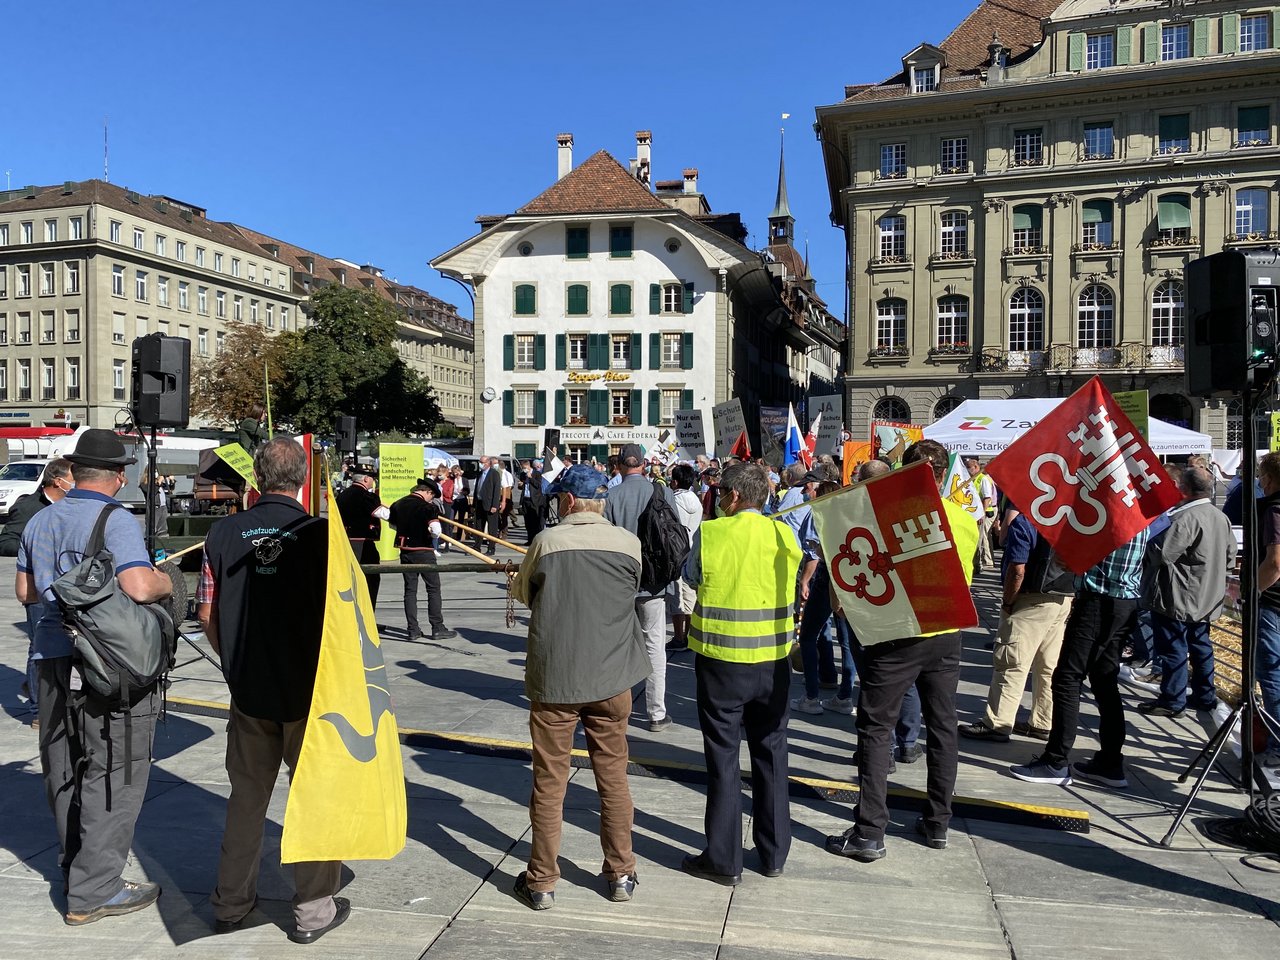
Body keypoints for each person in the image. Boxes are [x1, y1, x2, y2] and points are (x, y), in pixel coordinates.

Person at [15, 430, 172, 925]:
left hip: (50, 660)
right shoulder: (115, 519)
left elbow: (26, 591)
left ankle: (75, 868)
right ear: (119, 476)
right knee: (116, 772)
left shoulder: (40, 519)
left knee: (64, 768)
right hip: (107, 666)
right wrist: (168, 578)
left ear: (76, 472)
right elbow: (140, 586)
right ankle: (95, 889)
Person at [197, 438, 349, 944]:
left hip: (250, 690)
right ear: (303, 478)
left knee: (246, 801)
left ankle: (231, 903)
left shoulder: (222, 532)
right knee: (314, 799)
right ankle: (312, 911)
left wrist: (234, 665)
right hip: (310, 691)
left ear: (256, 479)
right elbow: (345, 618)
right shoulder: (322, 534)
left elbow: (205, 614)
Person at [825, 440, 978, 862]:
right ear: (943, 474)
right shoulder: (965, 519)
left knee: (875, 729)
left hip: (899, 634)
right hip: (946, 631)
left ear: (903, 475)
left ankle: (870, 831)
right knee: (944, 726)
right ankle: (937, 823)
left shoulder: (884, 516)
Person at [509, 464, 650, 909]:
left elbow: (525, 594)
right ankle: (621, 873)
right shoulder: (629, 543)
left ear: (568, 502)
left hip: (557, 679)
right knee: (613, 779)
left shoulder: (546, 542)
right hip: (612, 677)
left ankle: (542, 881)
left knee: (549, 782)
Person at [682, 463, 801, 884]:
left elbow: (690, 576)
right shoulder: (785, 533)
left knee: (724, 758)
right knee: (772, 753)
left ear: (733, 497)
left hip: (722, 661)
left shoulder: (713, 533)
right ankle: (773, 853)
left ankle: (724, 859)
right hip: (774, 661)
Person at [1011, 525, 1150, 790]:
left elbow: (1067, 559)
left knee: (1066, 678)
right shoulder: (1136, 511)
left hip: (1098, 601)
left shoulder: (1110, 514)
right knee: (1104, 681)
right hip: (1125, 601)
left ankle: (1055, 761)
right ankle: (1109, 763)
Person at [961, 506, 1073, 742]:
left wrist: (1008, 602)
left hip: (1031, 597)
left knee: (1011, 661)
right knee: (1048, 664)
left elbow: (1017, 568)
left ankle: (998, 723)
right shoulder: (1069, 517)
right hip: (1063, 596)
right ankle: (1043, 721)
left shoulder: (1026, 521)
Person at [1136, 466, 1235, 718]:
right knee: (1201, 647)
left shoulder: (1186, 517)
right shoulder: (1218, 516)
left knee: (1173, 648)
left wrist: (1148, 542)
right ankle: (1204, 696)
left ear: (1185, 488)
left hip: (1178, 595)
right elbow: (1230, 555)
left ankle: (1172, 700)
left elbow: (1162, 553)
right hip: (1207, 595)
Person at [605, 443, 676, 732]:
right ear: (644, 465)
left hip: (620, 582)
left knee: (617, 647)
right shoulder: (662, 493)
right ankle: (656, 713)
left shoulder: (610, 496)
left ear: (620, 466)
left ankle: (614, 709)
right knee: (654, 647)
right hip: (654, 583)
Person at [1, 457, 72, 722]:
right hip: (37, 589)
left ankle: (51, 695)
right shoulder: (30, 507)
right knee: (39, 647)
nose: (74, 485)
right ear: (58, 481)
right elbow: (7, 540)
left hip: (65, 587)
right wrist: (31, 552)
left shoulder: (69, 506)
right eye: (72, 480)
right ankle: (38, 710)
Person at [791, 480, 856, 716]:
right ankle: (845, 695)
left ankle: (811, 696)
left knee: (808, 636)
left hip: (827, 577)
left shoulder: (819, 515)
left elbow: (813, 552)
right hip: (848, 577)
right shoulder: (851, 514)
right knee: (847, 641)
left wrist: (805, 581)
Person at [389, 478, 457, 641]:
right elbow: (436, 531)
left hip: (405, 551)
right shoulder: (428, 507)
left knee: (410, 590)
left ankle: (413, 630)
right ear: (428, 492)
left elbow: (393, 526)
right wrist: (427, 531)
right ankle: (437, 626)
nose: (431, 499)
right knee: (433, 589)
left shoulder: (397, 504)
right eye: (431, 496)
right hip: (424, 551)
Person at [1254, 452, 1280, 770]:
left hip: (1273, 604)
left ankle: (1277, 745)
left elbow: (1274, 564)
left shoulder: (1274, 509)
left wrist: (1252, 592)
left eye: (1261, 477)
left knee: (1271, 676)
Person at [665, 463, 703, 653]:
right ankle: (688, 635)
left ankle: (679, 637)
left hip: (676, 551)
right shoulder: (696, 499)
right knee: (690, 596)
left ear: (675, 481)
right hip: (693, 548)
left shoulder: (673, 499)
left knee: (676, 597)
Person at [335, 470, 387, 610]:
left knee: (350, 580)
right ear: (365, 479)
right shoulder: (367, 496)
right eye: (372, 478)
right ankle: (367, 617)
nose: (373, 481)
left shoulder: (342, 495)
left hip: (346, 542)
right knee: (370, 580)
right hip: (363, 543)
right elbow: (381, 513)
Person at [966, 458, 997, 572]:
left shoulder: (982, 479)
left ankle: (981, 563)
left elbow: (987, 497)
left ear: (976, 467)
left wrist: (981, 514)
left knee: (981, 539)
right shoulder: (972, 479)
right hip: (975, 513)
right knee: (978, 538)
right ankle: (978, 562)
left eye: (970, 468)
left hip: (983, 513)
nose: (968, 470)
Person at [474, 456, 503, 555]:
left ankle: (491, 548)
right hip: (480, 503)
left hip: (490, 504)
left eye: (482, 462)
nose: (480, 464)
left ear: (488, 463)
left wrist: (495, 505)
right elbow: (477, 488)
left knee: (492, 527)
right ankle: (477, 546)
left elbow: (497, 490)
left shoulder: (494, 474)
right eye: (480, 462)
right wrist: (474, 503)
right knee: (478, 526)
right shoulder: (480, 474)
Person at [520, 460, 547, 544]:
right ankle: (530, 539)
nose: (524, 470)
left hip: (534, 500)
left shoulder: (537, 474)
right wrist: (521, 484)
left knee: (535, 521)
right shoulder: (523, 475)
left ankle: (536, 540)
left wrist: (531, 478)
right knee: (527, 521)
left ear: (528, 466)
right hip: (525, 499)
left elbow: (538, 485)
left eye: (524, 468)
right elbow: (524, 486)